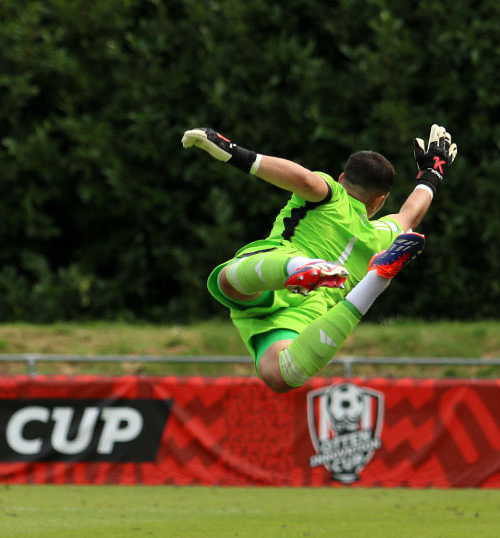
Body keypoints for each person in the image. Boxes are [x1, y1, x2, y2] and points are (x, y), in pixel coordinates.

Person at [181, 124, 457, 393]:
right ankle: (374, 282)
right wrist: (433, 171)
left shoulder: (332, 195)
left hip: (278, 264)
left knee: (228, 282)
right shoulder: (382, 234)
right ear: (380, 201)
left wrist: (232, 151)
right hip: (312, 308)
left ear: (340, 179)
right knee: (279, 375)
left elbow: (303, 179)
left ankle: (299, 266)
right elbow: (411, 214)